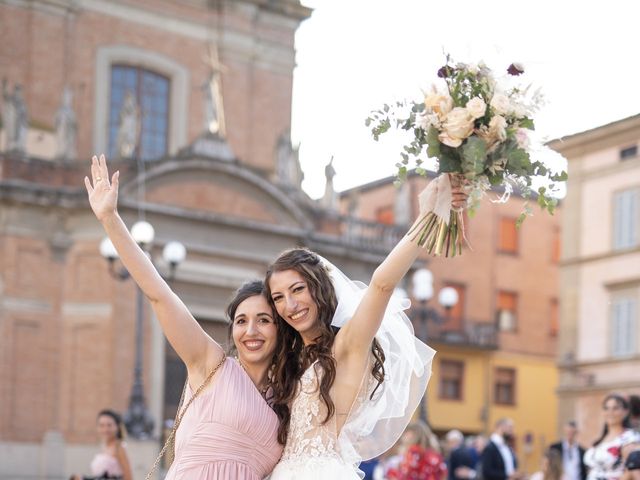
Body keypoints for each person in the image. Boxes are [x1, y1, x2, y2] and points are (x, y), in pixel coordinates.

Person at [84, 155, 283, 479]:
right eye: (242, 321)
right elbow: (159, 295)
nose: (251, 330)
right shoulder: (212, 365)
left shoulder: (286, 397)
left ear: (279, 328)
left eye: (264, 319)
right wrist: (111, 220)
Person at [264, 174, 468, 478]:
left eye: (297, 290)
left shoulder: (347, 344)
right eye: (278, 297)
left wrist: (426, 216)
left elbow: (382, 285)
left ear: (318, 287)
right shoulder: (291, 362)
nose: (289, 306)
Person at [584, 393, 640, 480]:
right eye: (606, 408)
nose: (610, 412)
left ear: (625, 412)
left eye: (615, 408)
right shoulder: (600, 439)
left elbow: (633, 471)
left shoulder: (629, 438)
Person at [70, 409, 132, 480]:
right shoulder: (105, 447)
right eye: (101, 425)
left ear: (117, 427)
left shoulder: (119, 447)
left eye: (109, 425)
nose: (105, 429)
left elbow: (129, 477)